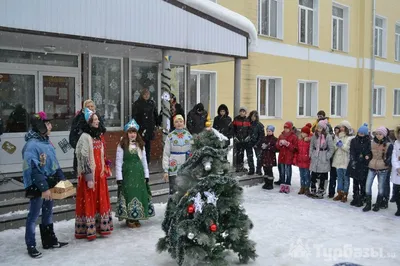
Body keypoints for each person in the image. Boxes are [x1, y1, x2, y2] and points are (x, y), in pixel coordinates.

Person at [22, 112, 68, 258]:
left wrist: (62, 180)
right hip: (37, 185)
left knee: (48, 213)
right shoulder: (31, 145)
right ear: (40, 126)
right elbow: (33, 168)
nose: (51, 126)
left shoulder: (46, 142)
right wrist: (43, 188)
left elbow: (54, 163)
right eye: (47, 124)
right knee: (34, 215)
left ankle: (49, 240)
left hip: (48, 182)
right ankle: (31, 245)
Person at [74, 108, 113, 240]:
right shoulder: (85, 136)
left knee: (99, 201)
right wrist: (88, 177)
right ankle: (89, 229)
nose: (97, 121)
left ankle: (99, 227)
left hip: (100, 175)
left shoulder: (98, 135)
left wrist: (105, 165)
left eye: (97, 119)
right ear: (88, 122)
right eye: (94, 120)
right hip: (90, 176)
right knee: (90, 200)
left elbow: (100, 154)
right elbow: (83, 158)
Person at [115, 119, 155, 228]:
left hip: (138, 173)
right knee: (129, 193)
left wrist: (146, 175)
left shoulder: (140, 145)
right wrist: (119, 177)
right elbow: (118, 162)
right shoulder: (122, 145)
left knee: (138, 193)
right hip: (128, 173)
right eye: (130, 132)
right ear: (126, 133)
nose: (132, 135)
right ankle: (129, 218)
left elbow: (144, 161)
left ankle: (137, 216)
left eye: (134, 132)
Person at [69, 99, 106, 176]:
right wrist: (78, 145)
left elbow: (102, 129)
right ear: (84, 107)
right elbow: (73, 134)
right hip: (84, 148)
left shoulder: (97, 116)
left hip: (96, 150)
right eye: (88, 106)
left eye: (91, 106)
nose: (90, 108)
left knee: (96, 171)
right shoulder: (79, 118)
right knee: (84, 173)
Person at [363, 126, 393, 212]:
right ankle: (368, 204)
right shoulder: (372, 143)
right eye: (377, 134)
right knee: (368, 185)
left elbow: (390, 156)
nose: (378, 136)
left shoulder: (388, 145)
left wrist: (387, 161)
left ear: (384, 135)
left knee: (381, 187)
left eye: (380, 134)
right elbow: (369, 152)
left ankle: (378, 204)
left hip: (383, 168)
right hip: (372, 166)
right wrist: (368, 156)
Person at [162, 115, 192, 195]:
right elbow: (166, 154)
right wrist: (165, 170)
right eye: (176, 122)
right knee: (174, 189)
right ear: (174, 124)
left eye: (181, 121)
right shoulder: (170, 136)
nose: (179, 123)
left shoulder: (189, 136)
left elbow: (193, 151)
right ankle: (173, 205)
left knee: (186, 189)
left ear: (184, 123)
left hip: (186, 165)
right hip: (173, 166)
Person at [132, 88, 160, 165]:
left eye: (148, 94)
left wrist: (157, 124)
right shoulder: (137, 104)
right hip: (141, 127)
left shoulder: (152, 103)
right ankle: (139, 160)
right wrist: (135, 126)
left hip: (149, 126)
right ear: (142, 95)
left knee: (148, 145)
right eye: (145, 94)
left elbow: (155, 114)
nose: (146, 96)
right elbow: (134, 116)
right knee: (140, 143)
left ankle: (147, 160)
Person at [309, 119, 335, 199]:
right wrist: (311, 154)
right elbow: (311, 146)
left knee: (323, 175)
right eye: (318, 128)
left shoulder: (328, 136)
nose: (319, 129)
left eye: (320, 128)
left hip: (323, 157)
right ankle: (313, 189)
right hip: (315, 157)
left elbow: (331, 148)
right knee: (313, 174)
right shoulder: (314, 135)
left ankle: (321, 190)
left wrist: (327, 156)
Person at [347, 123, 371, 207]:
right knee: (355, 182)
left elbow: (369, 152)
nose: (361, 134)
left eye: (363, 133)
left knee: (362, 182)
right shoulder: (354, 140)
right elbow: (352, 151)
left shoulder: (368, 141)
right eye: (360, 132)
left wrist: (366, 157)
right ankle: (355, 197)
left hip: (363, 165)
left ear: (365, 134)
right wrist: (353, 159)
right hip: (355, 164)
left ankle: (362, 197)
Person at [332, 121, 353, 203]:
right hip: (338, 160)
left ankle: (345, 194)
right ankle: (339, 193)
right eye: (341, 127)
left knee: (346, 178)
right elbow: (334, 147)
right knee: (339, 178)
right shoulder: (337, 137)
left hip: (345, 160)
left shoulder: (350, 138)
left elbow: (348, 149)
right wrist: (337, 145)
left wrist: (342, 146)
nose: (341, 129)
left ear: (346, 128)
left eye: (343, 127)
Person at [275, 121, 298, 193]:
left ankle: (287, 185)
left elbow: (295, 148)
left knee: (288, 171)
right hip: (282, 156)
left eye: (287, 128)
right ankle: (282, 184)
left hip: (288, 156)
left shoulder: (294, 136)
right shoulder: (281, 135)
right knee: (282, 171)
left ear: (290, 128)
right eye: (285, 128)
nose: (286, 129)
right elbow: (277, 146)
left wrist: (288, 144)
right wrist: (280, 144)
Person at [232, 107, 253, 173]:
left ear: (245, 113)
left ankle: (242, 166)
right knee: (239, 154)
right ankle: (238, 167)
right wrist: (234, 136)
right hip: (238, 139)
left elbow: (250, 129)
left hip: (245, 140)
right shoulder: (236, 119)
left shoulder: (247, 120)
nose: (242, 113)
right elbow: (233, 129)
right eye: (241, 111)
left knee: (243, 153)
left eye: (243, 111)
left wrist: (248, 136)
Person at [295, 123, 312, 195]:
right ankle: (302, 187)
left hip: (307, 161)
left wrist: (309, 158)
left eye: (305, 133)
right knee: (301, 175)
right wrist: (296, 158)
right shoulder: (299, 140)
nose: (303, 134)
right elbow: (297, 150)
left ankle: (307, 188)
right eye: (302, 133)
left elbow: (311, 151)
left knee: (307, 175)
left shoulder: (309, 141)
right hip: (300, 160)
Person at [260, 125, 278, 189]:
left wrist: (268, 147)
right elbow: (261, 145)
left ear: (272, 132)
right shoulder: (264, 138)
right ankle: (266, 183)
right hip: (264, 157)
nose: (268, 132)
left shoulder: (275, 139)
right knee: (265, 170)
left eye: (269, 131)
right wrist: (262, 146)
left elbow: (276, 148)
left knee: (269, 171)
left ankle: (270, 184)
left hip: (270, 157)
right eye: (267, 131)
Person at [248, 111, 265, 175]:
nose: (253, 118)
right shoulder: (248, 124)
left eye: (254, 116)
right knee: (250, 157)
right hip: (249, 143)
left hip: (257, 144)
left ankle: (258, 170)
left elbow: (261, 136)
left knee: (259, 157)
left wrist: (257, 144)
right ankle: (251, 169)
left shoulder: (260, 125)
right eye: (252, 116)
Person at [391, 125, 400, 216]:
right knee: (397, 192)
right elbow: (394, 156)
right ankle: (399, 208)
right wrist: (397, 167)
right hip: (397, 171)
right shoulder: (396, 143)